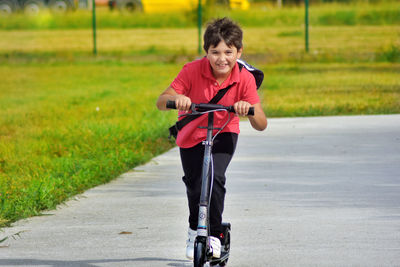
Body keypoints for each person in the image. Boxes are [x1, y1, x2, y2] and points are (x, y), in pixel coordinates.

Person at [156, 17, 267, 260]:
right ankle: (194, 229)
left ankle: (215, 235)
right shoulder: (191, 70)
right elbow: (162, 101)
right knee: (195, 184)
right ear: (206, 52)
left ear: (239, 52)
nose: (221, 58)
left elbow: (261, 124)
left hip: (224, 131)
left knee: (215, 178)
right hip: (192, 134)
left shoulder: (244, 78)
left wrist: (246, 107)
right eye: (215, 52)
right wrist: (179, 99)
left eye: (228, 51)